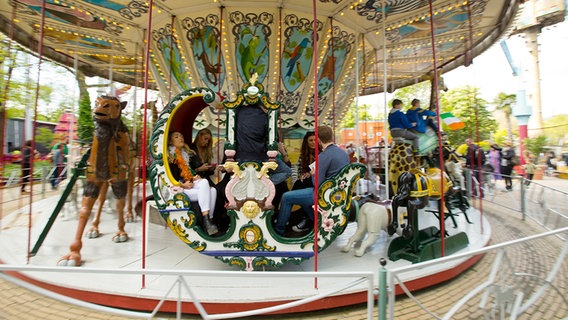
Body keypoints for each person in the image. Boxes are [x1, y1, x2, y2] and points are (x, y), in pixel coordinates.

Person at [274, 126, 349, 236]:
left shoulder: (324, 156)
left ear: (318, 139)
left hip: (325, 194)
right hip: (337, 192)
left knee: (286, 196)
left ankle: (278, 230)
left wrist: (313, 174)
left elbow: (317, 183)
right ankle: (316, 222)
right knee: (302, 198)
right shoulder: (343, 153)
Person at [168, 131, 218, 235]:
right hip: (177, 189)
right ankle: (207, 222)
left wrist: (193, 177)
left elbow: (187, 175)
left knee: (212, 189)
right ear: (171, 142)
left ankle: (209, 220)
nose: (180, 138)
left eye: (181, 136)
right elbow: (170, 179)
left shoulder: (185, 155)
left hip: (187, 185)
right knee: (205, 183)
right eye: (176, 137)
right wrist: (183, 185)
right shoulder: (171, 158)